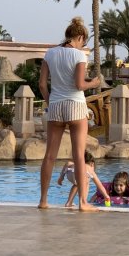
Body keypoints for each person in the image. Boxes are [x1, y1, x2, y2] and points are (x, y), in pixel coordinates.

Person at [38, 17, 101, 211]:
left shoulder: (50, 53)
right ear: (80, 37)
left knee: (50, 155)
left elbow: (42, 85)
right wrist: (94, 83)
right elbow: (79, 85)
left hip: (56, 105)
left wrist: (51, 102)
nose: (83, 45)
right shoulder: (79, 56)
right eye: (84, 42)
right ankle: (83, 202)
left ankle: (43, 200)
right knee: (79, 156)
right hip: (76, 106)